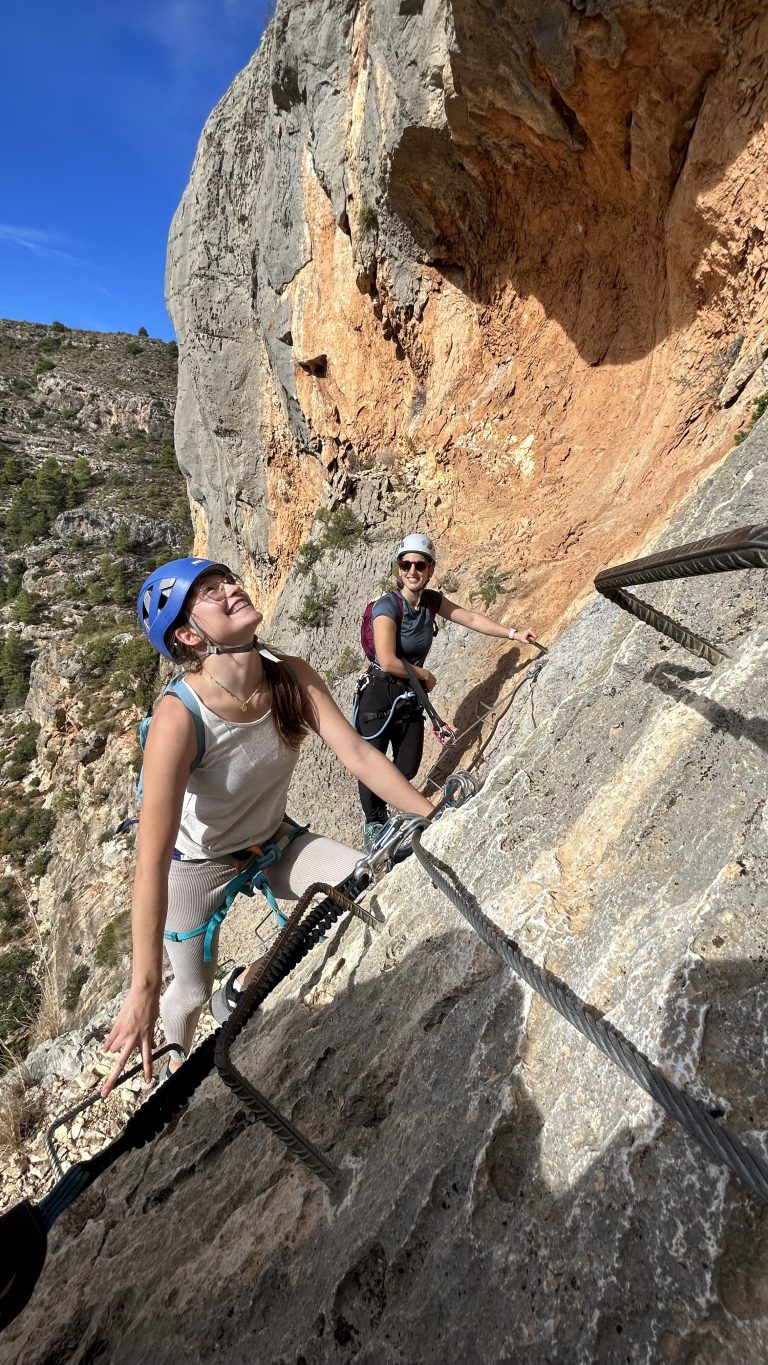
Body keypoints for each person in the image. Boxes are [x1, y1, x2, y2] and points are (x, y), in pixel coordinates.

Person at [102, 557, 434, 1095]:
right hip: (196, 868)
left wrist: (428, 814)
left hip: (274, 840)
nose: (230, 588)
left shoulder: (290, 675)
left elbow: (360, 756)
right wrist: (142, 987)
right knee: (186, 994)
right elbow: (152, 860)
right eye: (209, 592)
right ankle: (170, 1076)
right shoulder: (179, 717)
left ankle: (247, 982)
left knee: (365, 882)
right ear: (188, 634)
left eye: (227, 579)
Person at [357, 533, 537, 849]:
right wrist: (425, 674)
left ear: (430, 569)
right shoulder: (387, 606)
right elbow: (386, 660)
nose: (412, 571)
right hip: (381, 692)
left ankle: (394, 801)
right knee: (371, 759)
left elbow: (467, 617)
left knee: (408, 765)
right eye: (406, 564)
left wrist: (513, 634)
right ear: (398, 568)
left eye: (420, 565)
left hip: (411, 694)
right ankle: (374, 822)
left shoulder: (431, 602)